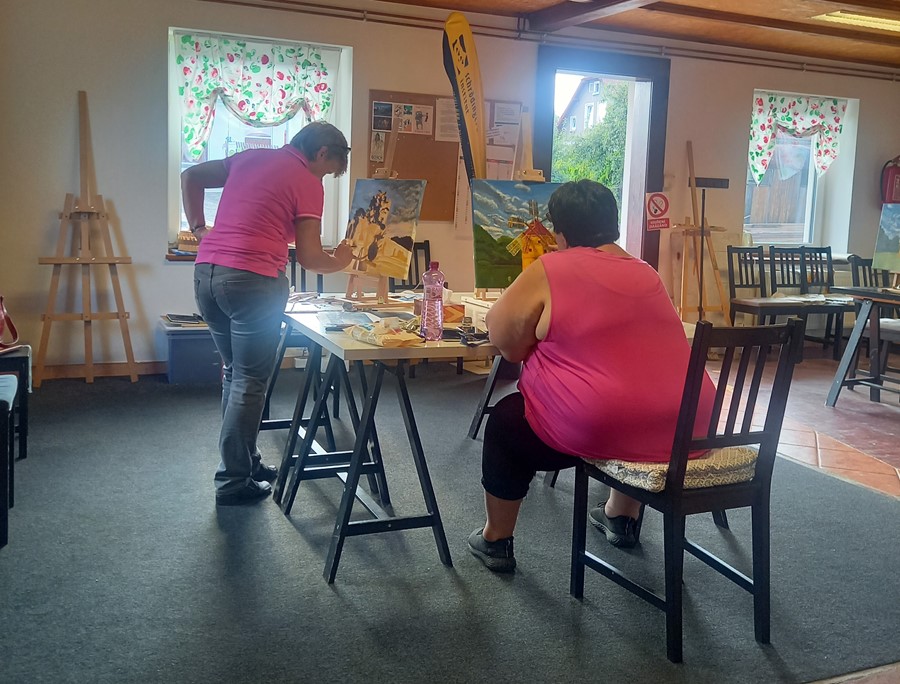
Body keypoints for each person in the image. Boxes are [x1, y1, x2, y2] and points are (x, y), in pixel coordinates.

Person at [467, 179, 716, 572]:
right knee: (632, 397)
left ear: (560, 231)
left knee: (507, 422)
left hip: (601, 428)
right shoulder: (647, 272)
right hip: (690, 427)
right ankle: (620, 515)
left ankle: (496, 539)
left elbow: (504, 339)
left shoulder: (552, 266)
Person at [181, 121, 353, 506]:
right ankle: (232, 481)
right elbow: (310, 257)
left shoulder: (250, 157)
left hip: (207, 274)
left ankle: (245, 462)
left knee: (235, 374)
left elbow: (190, 176)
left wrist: (198, 228)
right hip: (253, 281)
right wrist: (341, 260)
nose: (323, 178)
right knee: (248, 381)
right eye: (327, 170)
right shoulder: (306, 180)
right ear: (322, 153)